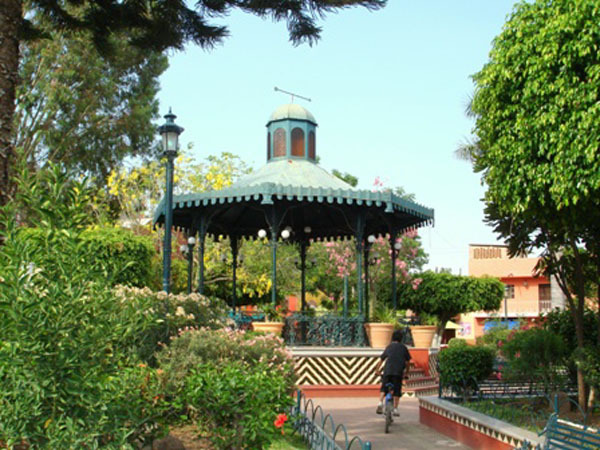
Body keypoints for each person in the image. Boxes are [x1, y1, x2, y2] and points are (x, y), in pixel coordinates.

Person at [374, 329, 411, 417]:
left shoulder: (389, 347)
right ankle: (395, 408)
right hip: (398, 372)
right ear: (401, 339)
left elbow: (381, 359)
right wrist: (406, 373)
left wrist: (377, 370)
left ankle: (380, 403)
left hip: (388, 371)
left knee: (384, 387)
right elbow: (408, 362)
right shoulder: (404, 348)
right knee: (397, 390)